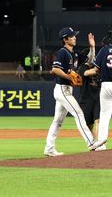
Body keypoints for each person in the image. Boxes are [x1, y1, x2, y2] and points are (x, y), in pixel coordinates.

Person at [43, 27, 105, 157]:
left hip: (67, 90)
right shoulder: (62, 52)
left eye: (74, 35)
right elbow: (55, 69)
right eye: (72, 36)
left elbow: (89, 60)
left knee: (57, 121)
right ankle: (91, 142)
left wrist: (92, 47)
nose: (75, 37)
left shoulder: (75, 53)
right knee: (79, 114)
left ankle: (49, 148)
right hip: (62, 89)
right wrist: (68, 76)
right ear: (65, 39)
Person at [76, 45, 100, 136]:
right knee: (88, 125)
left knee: (98, 121)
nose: (93, 58)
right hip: (86, 100)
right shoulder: (82, 68)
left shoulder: (96, 66)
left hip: (97, 99)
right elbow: (87, 73)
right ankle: (93, 142)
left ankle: (100, 144)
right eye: (91, 56)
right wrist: (100, 68)